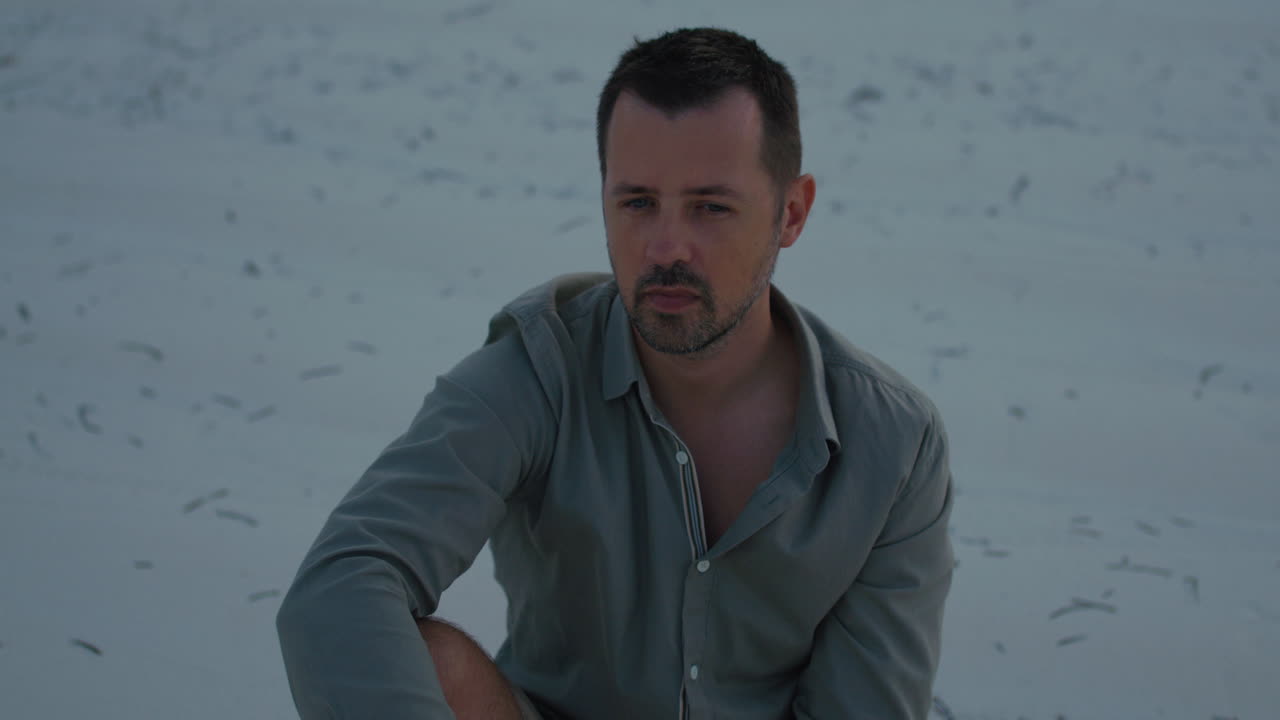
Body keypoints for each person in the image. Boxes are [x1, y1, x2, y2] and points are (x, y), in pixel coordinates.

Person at [277, 27, 954, 720]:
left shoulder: (892, 444)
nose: (665, 247)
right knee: (431, 663)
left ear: (791, 213)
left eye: (710, 207)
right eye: (637, 203)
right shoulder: (535, 374)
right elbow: (344, 580)